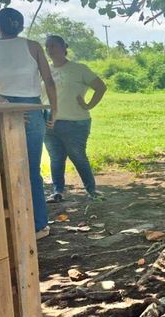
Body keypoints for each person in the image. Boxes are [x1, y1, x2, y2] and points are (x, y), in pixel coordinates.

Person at [0, 8, 56, 240]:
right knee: (30, 169)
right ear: (20, 26)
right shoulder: (33, 46)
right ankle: (38, 225)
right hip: (31, 108)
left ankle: (3, 224)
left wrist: (5, 103)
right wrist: (54, 110)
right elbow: (48, 80)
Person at [44, 35, 107, 203]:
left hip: (75, 122)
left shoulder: (79, 69)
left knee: (78, 156)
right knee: (56, 158)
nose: (50, 49)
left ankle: (92, 190)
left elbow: (100, 87)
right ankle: (58, 191)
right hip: (49, 121)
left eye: (54, 46)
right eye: (47, 46)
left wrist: (89, 105)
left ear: (65, 47)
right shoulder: (45, 70)